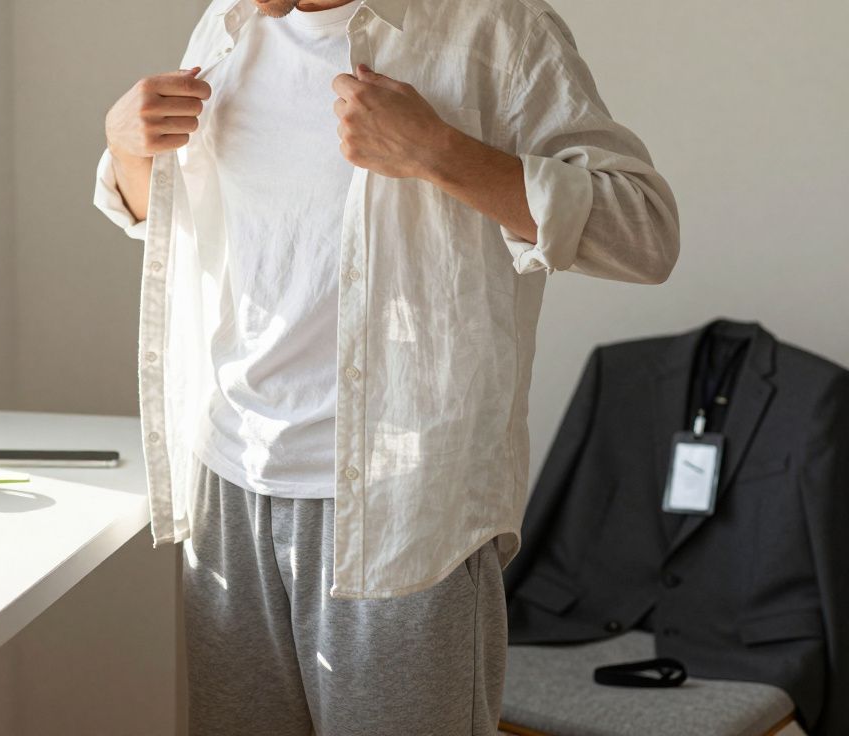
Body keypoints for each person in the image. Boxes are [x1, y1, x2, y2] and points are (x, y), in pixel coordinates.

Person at [94, 0, 679, 733]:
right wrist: (127, 152)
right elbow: (205, 231)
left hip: (402, 506)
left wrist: (439, 152)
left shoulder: (498, 30)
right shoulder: (228, 24)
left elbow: (645, 233)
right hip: (230, 483)